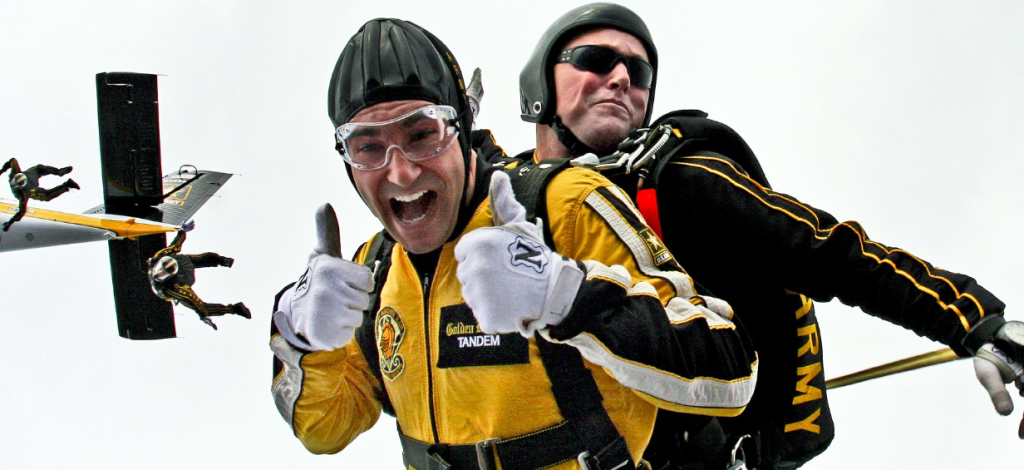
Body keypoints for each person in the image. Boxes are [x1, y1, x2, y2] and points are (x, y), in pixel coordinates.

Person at [502, 3, 1024, 469]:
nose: (621, 79)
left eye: (638, 72)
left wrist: (980, 324)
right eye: (595, 59)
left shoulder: (681, 184)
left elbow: (833, 254)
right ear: (540, 86)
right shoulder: (498, 203)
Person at [269, 18, 758, 470]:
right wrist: (300, 341)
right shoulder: (371, 272)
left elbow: (731, 371)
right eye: (368, 146)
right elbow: (325, 429)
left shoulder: (565, 206)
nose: (401, 171)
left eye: (422, 134)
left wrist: (566, 297)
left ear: (462, 130)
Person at [147, 227, 250, 330]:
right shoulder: (167, 286)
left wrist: (182, 231)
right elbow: (190, 298)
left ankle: (221, 260)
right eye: (161, 271)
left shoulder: (163, 260)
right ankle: (234, 309)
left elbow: (175, 247)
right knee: (204, 309)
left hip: (183, 267)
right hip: (182, 278)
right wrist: (202, 315)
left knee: (202, 259)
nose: (159, 273)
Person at [0, 157, 79, 231]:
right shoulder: (15, 173)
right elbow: (13, 161)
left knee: (46, 196)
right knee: (39, 168)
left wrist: (10, 222)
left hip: (31, 186)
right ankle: (59, 172)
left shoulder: (23, 193)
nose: (13, 184)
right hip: (32, 174)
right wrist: (2, 171)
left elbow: (22, 211)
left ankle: (66, 184)